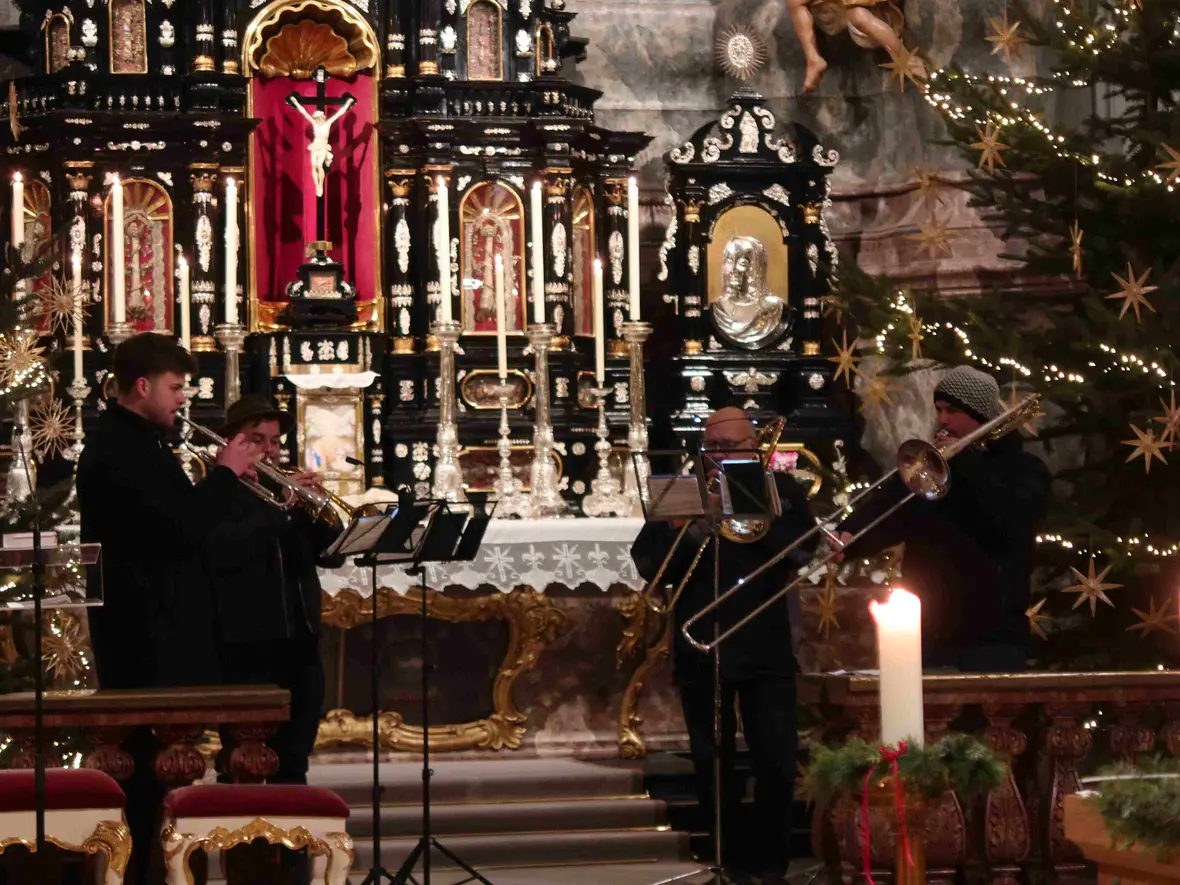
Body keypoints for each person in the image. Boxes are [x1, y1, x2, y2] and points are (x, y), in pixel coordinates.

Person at [77, 333, 259, 885]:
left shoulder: (143, 442)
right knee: (143, 776)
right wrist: (224, 473)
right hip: (143, 636)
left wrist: (233, 486)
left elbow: (186, 523)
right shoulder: (115, 447)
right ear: (142, 386)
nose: (184, 398)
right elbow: (179, 530)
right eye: (176, 387)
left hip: (163, 628)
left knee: (158, 779)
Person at [631, 407, 817, 885]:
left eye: (732, 447)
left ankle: (770, 864)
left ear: (754, 448)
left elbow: (801, 549)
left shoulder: (783, 489)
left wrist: (754, 510)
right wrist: (693, 526)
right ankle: (728, 861)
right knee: (712, 761)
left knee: (775, 759)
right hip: (703, 646)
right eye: (712, 447)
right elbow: (649, 561)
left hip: (766, 644)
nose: (720, 457)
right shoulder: (684, 492)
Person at [836, 365, 1052, 672]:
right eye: (939, 409)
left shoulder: (1025, 470)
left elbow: (1005, 525)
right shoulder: (931, 468)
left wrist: (964, 462)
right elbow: (887, 512)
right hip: (929, 634)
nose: (941, 420)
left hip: (993, 640)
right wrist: (849, 536)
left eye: (951, 410)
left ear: (978, 413)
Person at [206, 395, 344, 784]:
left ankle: (294, 845)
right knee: (240, 762)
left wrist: (316, 510)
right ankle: (241, 842)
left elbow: (331, 557)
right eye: (256, 439)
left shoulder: (286, 492)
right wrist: (281, 509)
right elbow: (224, 550)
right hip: (247, 647)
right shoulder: (218, 493)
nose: (269, 451)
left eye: (275, 442)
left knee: (294, 763)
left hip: (300, 643)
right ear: (229, 444)